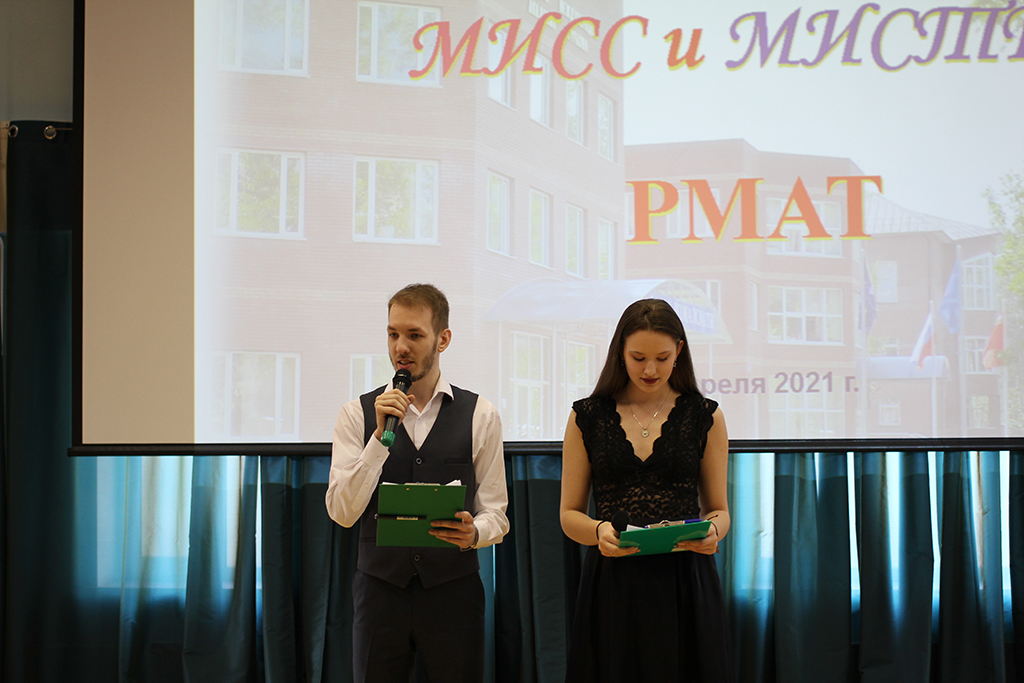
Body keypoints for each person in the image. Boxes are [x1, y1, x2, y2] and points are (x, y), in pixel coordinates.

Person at [326, 283, 509, 683]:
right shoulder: (356, 414)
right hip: (379, 593)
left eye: (414, 335)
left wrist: (474, 533)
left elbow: (496, 513)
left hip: (454, 593)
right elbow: (342, 512)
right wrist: (379, 440)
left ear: (443, 339)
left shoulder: (481, 414)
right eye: (393, 334)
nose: (401, 347)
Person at [559, 298, 734, 682]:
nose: (650, 369)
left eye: (662, 358)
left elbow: (720, 511)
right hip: (614, 582)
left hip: (685, 579)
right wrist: (599, 531)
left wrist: (712, 531)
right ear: (620, 352)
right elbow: (569, 515)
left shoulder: (705, 415)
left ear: (679, 351)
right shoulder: (587, 416)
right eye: (638, 358)